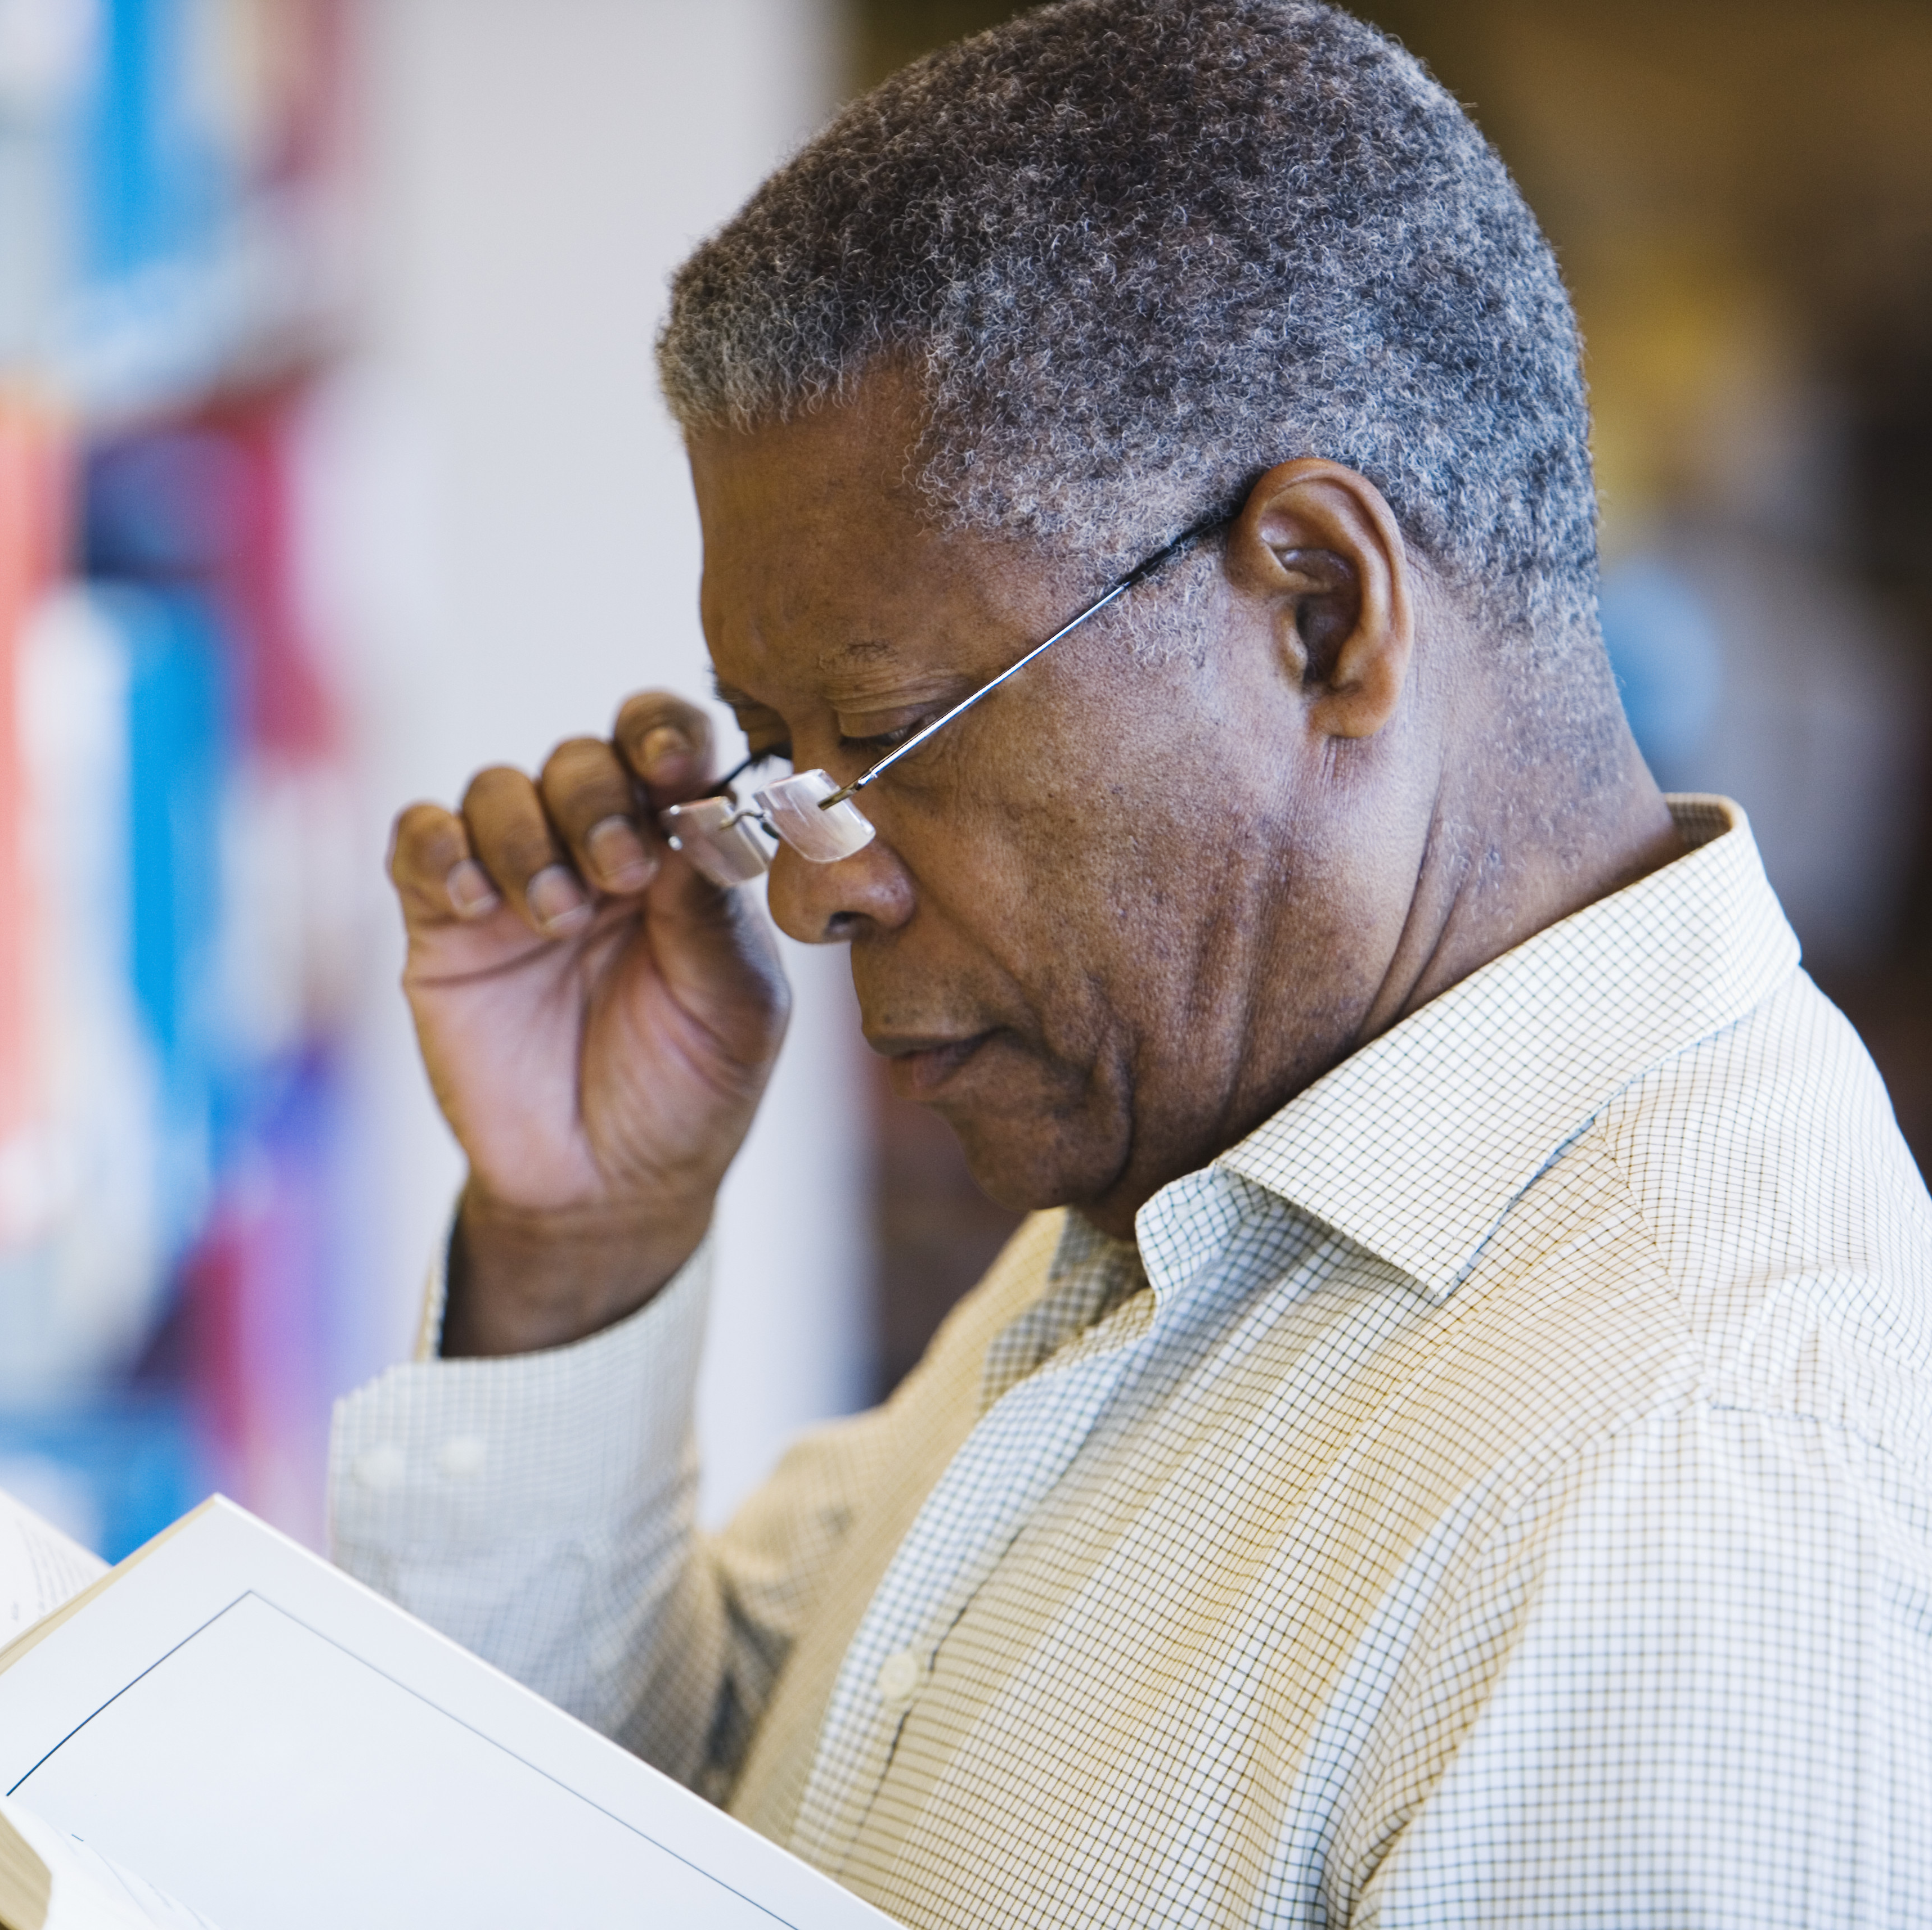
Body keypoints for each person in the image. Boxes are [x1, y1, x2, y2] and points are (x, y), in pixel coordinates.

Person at [326, 1, 1932, 1922]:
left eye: (889, 742)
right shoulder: (1205, 1178)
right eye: (778, 758)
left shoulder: (1695, 1483)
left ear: (1319, 615)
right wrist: (581, 1250)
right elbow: (662, 1847)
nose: (811, 891)